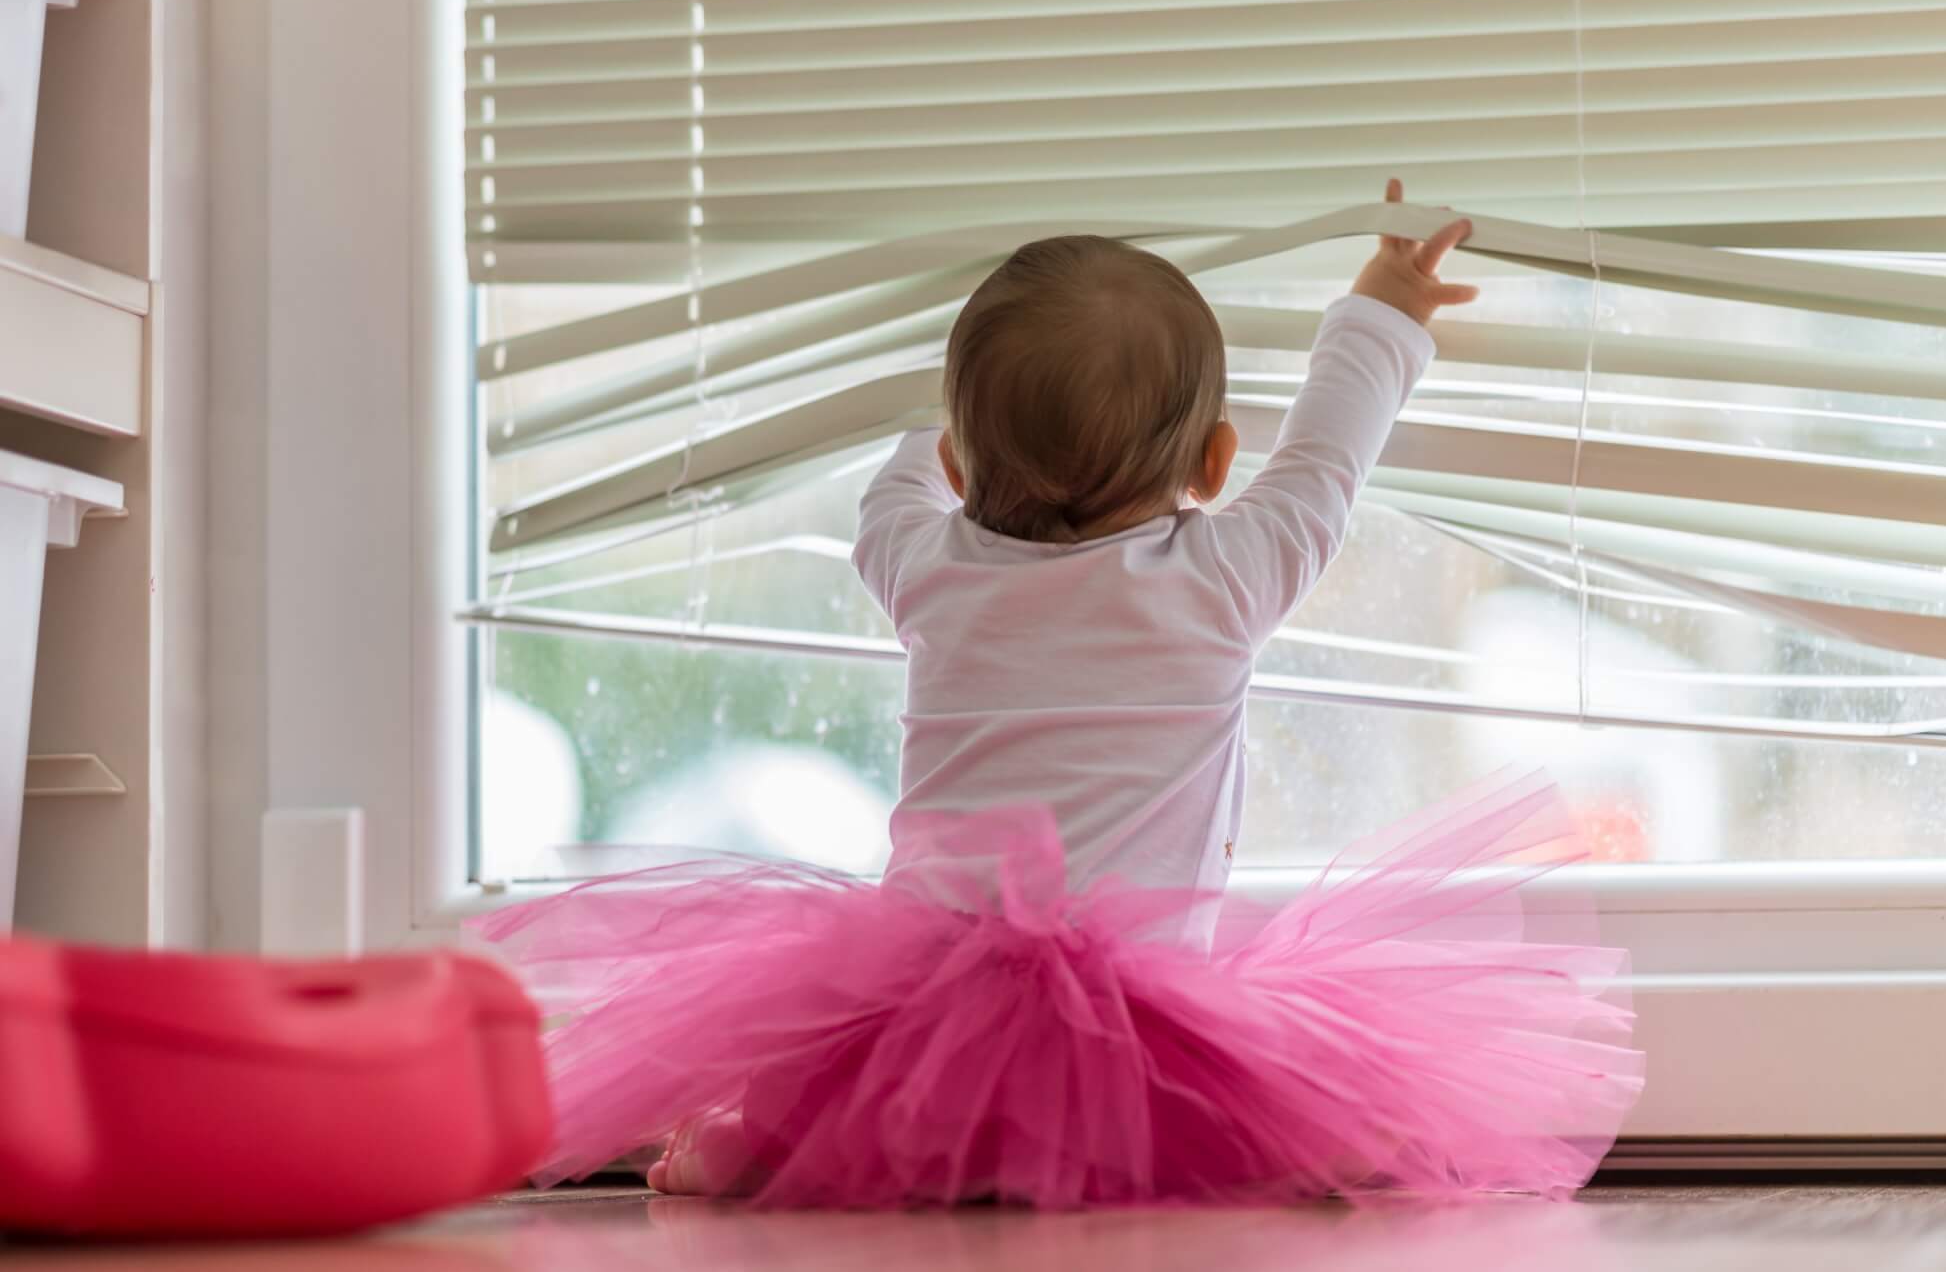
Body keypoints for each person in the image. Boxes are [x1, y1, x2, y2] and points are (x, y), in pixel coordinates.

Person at [471, 181, 1643, 1207]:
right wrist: (1380, 308)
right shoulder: (1222, 579)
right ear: (1214, 464)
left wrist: (927, 422)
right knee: (1235, 1108)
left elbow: (894, 477)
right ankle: (1313, 1152)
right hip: (1141, 1015)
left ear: (960, 459)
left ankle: (745, 1155)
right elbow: (1327, 458)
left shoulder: (929, 572)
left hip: (914, 994)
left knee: (830, 1102)